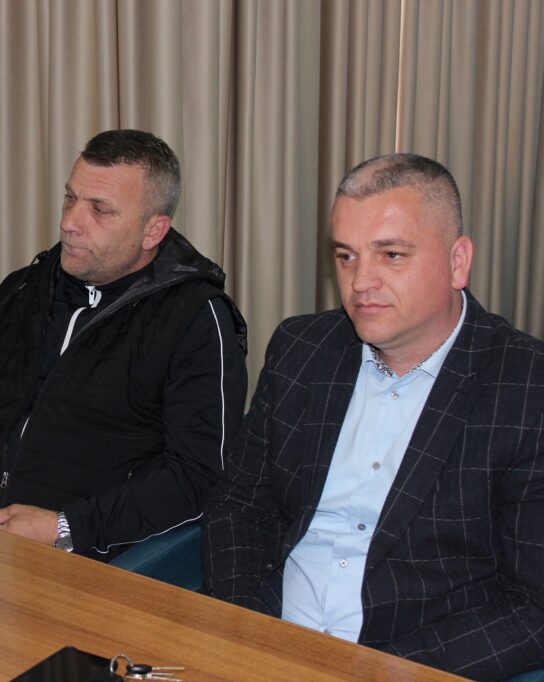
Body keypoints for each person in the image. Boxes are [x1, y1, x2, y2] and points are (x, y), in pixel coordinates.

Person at [202, 153, 544, 680]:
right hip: (264, 639)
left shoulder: (527, 386)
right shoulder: (302, 348)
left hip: (410, 660)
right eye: (346, 256)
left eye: (391, 254)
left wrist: (381, 673)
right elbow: (240, 508)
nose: (361, 281)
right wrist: (246, 629)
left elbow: (533, 606)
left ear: (458, 261)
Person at [0, 129, 248, 559]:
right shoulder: (25, 290)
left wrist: (66, 528)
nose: (69, 223)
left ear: (153, 230)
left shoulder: (196, 319)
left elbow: (199, 477)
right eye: (70, 198)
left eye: (99, 209)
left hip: (90, 560)